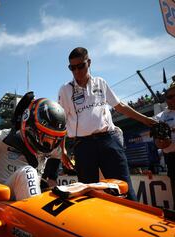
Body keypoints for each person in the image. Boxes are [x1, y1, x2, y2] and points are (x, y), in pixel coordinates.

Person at [58, 47, 157, 201]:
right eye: (72, 68)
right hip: (83, 145)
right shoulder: (65, 90)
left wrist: (145, 120)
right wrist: (62, 149)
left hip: (108, 140)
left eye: (80, 66)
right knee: (88, 193)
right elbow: (61, 121)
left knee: (123, 187)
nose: (76, 71)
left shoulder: (101, 83)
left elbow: (119, 106)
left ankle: (131, 223)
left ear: (89, 62)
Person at [0, 98, 69, 200]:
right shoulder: (4, 137)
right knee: (28, 172)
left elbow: (57, 155)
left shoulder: (51, 147)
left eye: (55, 139)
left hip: (33, 194)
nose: (49, 144)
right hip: (6, 197)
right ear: (30, 127)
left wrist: (52, 178)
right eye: (46, 137)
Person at [154, 82, 175, 209]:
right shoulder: (160, 117)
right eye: (170, 96)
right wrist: (161, 142)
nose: (173, 99)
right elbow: (157, 142)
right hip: (172, 157)